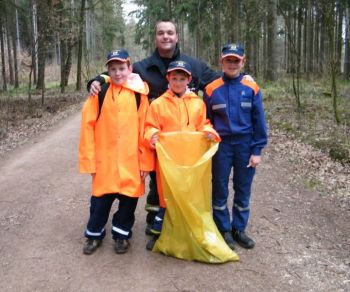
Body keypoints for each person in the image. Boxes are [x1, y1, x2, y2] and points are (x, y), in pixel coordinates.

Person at [87, 19, 221, 235]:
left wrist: (243, 79)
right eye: (161, 33)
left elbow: (218, 81)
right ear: (156, 37)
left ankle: (184, 224)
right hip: (155, 138)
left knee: (185, 184)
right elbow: (119, 74)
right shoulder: (142, 67)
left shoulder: (194, 66)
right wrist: (97, 79)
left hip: (184, 146)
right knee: (157, 185)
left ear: (177, 36)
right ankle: (155, 223)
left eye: (170, 32)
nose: (166, 36)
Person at [79, 49, 154, 255]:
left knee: (128, 203)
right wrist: (89, 161)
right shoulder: (99, 93)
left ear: (130, 68)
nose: (118, 73)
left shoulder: (140, 95)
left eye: (122, 68)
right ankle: (94, 235)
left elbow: (145, 129)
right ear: (108, 71)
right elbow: (87, 127)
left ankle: (121, 235)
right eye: (113, 69)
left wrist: (146, 162)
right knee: (100, 202)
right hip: (105, 163)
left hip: (131, 162)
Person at [143, 60, 221, 250]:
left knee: (188, 195)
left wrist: (210, 132)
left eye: (182, 78)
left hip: (190, 161)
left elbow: (203, 124)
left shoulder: (198, 103)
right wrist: (152, 136)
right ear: (168, 78)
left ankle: (188, 231)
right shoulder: (158, 104)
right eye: (174, 78)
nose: (178, 82)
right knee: (167, 196)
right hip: (167, 162)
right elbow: (149, 126)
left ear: (189, 79)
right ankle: (160, 233)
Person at [203, 43, 268, 250]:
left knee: (243, 188)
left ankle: (239, 228)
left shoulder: (252, 88)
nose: (232, 64)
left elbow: (260, 121)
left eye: (236, 60)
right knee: (220, 187)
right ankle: (223, 229)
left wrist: (256, 151)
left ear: (243, 62)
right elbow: (206, 121)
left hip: (245, 145)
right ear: (221, 61)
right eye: (228, 60)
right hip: (221, 146)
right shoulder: (211, 89)